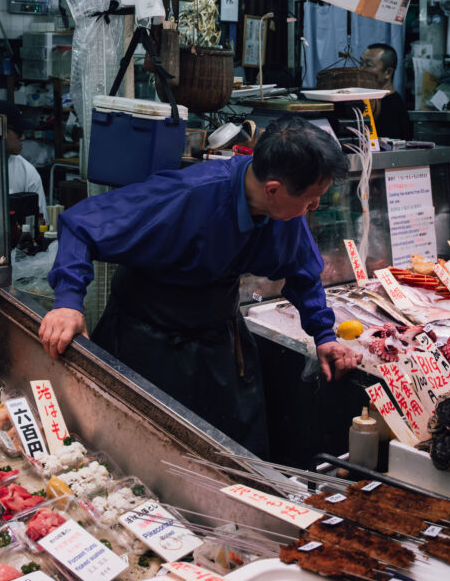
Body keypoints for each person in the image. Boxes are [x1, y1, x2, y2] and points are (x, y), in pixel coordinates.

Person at [39, 116, 362, 456]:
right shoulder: (186, 195)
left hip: (218, 345)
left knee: (229, 455)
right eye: (312, 199)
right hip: (147, 342)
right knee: (144, 454)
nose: (314, 207)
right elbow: (81, 223)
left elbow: (303, 272)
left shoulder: (283, 211)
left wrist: (324, 335)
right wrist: (68, 301)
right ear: (273, 189)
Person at [0, 100, 48, 224]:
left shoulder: (27, 172)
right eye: (19, 132)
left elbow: (41, 222)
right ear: (0, 130)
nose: (23, 138)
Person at [360, 43, 412, 140]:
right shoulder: (371, 101)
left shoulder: (393, 107)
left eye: (368, 65)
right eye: (361, 63)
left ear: (388, 73)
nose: (361, 69)